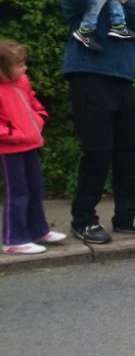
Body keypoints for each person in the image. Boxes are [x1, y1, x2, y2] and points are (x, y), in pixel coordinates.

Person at [61, 0, 135, 244]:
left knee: (128, 152)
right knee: (98, 153)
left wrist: (129, 1)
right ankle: (83, 219)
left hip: (122, 81)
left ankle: (126, 216)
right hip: (90, 77)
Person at [0, 41, 67, 254]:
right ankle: (14, 239)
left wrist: (40, 117)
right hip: (9, 149)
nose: (24, 68)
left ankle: (38, 229)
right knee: (17, 192)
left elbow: (33, 102)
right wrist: (13, 134)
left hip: (30, 143)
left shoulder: (22, 81)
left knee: (36, 188)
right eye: (19, 64)